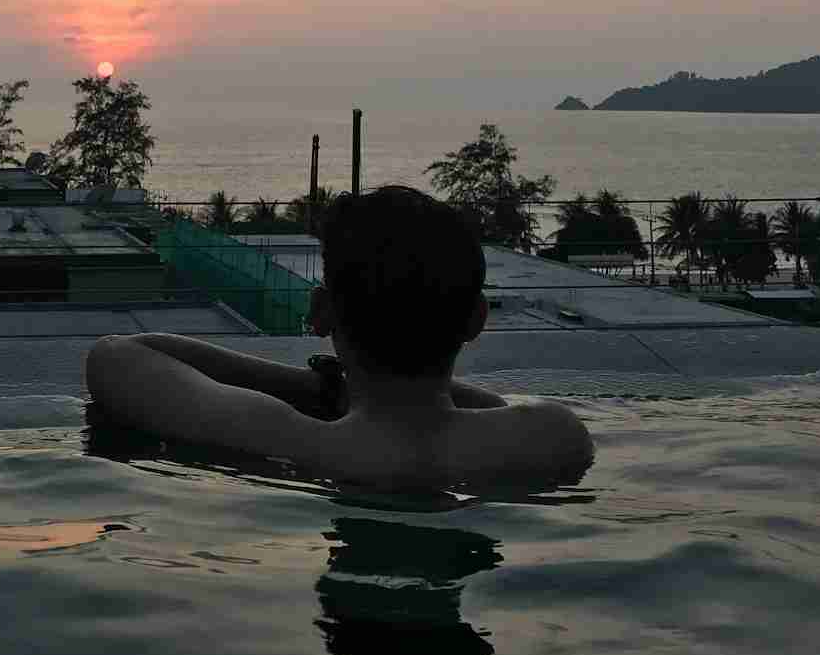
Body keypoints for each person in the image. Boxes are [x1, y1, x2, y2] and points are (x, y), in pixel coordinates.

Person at [85, 184, 593, 489]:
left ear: (322, 313)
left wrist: (326, 384)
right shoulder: (551, 436)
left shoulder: (295, 442)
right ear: (477, 319)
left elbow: (117, 357)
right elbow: (491, 409)